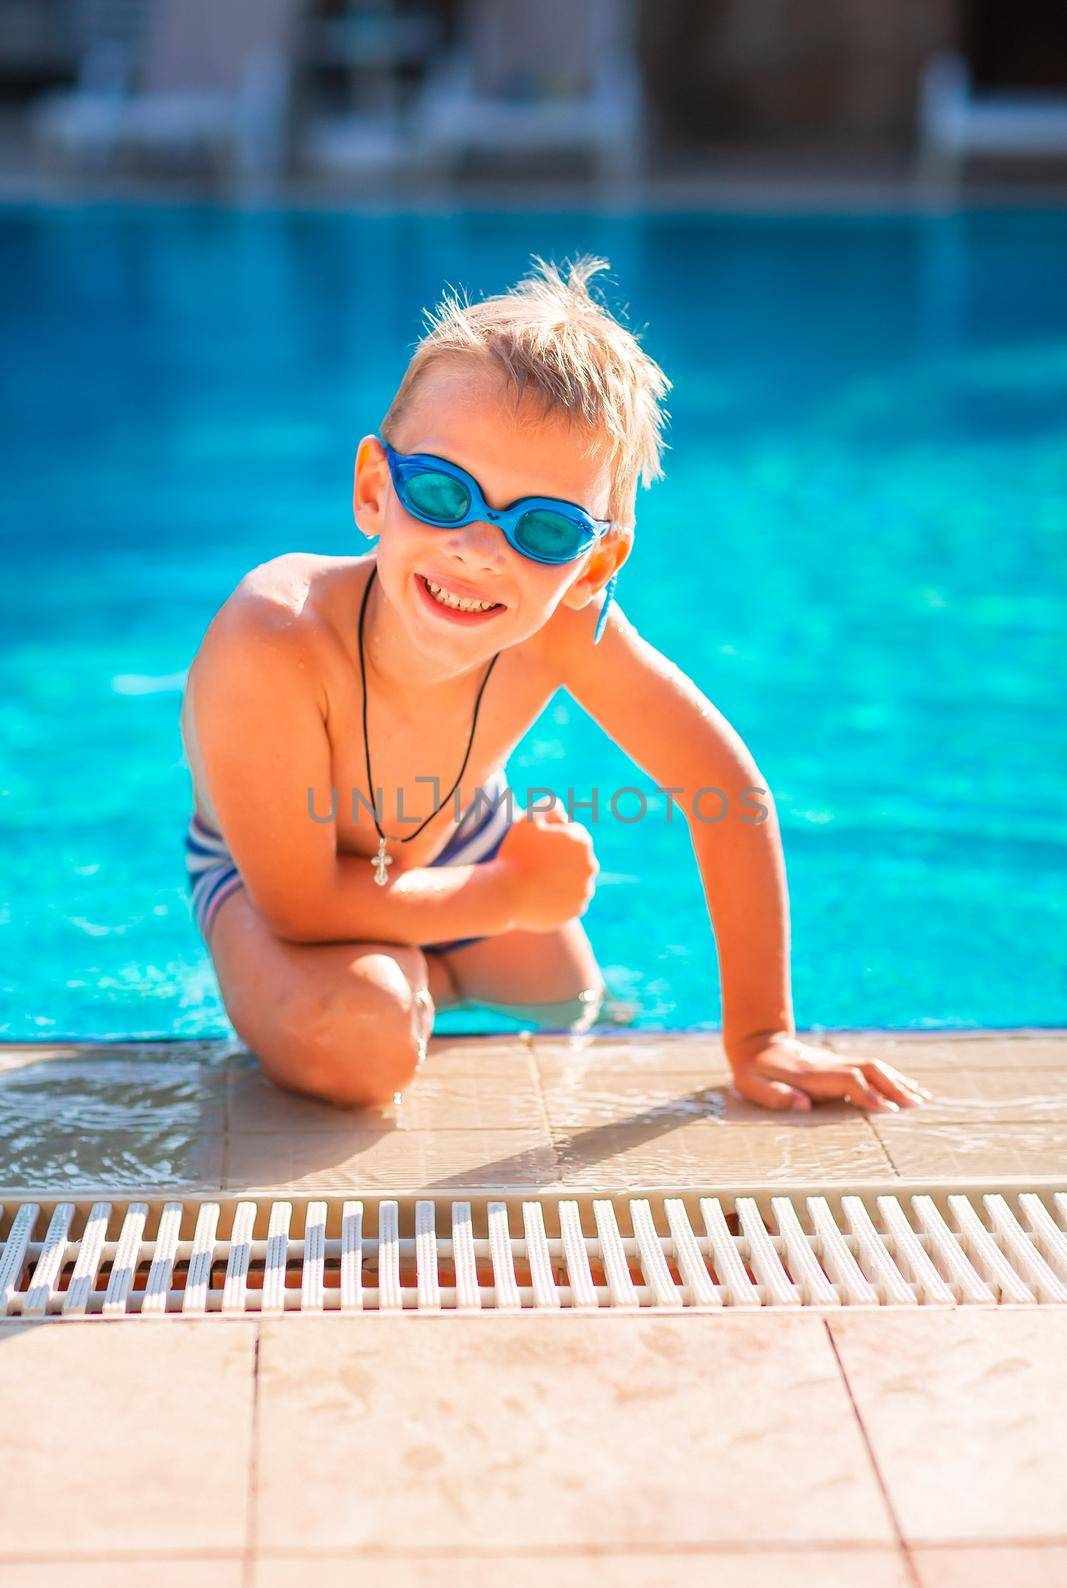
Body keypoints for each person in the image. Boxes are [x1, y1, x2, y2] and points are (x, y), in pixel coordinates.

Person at [180, 254, 932, 1116]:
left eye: (542, 528)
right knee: (362, 1043)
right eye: (440, 492)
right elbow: (304, 904)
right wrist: (509, 894)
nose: (480, 547)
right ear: (374, 488)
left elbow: (723, 788)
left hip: (455, 843)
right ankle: (388, 981)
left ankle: (425, 971)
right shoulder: (276, 636)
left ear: (593, 564)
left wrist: (763, 1034)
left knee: (571, 1011)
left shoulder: (571, 624)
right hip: (278, 882)